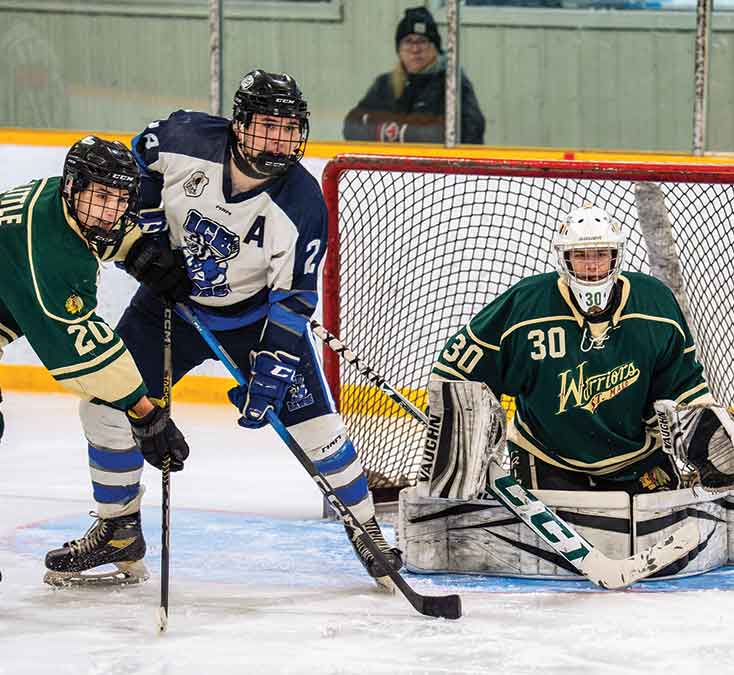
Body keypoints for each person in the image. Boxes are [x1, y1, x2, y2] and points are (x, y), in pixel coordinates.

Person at [44, 69, 402, 587]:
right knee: (104, 405)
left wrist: (276, 364)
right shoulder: (185, 138)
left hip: (253, 322)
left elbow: (295, 298)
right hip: (169, 307)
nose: (277, 140)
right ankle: (118, 531)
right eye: (265, 126)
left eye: (288, 128)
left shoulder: (301, 204)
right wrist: (146, 239)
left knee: (318, 431)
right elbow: (137, 165)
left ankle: (367, 532)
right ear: (239, 124)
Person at [0, 136, 190, 612]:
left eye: (118, 199)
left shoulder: (61, 204)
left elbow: (105, 232)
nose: (109, 210)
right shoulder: (50, 248)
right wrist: (145, 412)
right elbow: (78, 352)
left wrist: (139, 253)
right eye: (99, 196)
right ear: (73, 186)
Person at [429, 204, 734, 496]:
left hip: (639, 458)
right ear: (564, 258)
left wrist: (708, 430)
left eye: (600, 254)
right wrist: (468, 443)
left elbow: (683, 384)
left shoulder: (654, 302)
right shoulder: (526, 305)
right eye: (581, 255)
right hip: (546, 457)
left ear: (616, 256)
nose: (592, 265)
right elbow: (456, 373)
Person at [343, 6, 485, 144]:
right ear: (399, 50)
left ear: (435, 48)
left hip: (436, 166)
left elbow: (465, 132)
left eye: (422, 41)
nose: (415, 49)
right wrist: (395, 132)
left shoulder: (452, 82)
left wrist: (393, 131)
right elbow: (351, 126)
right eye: (408, 42)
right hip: (390, 166)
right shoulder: (386, 83)